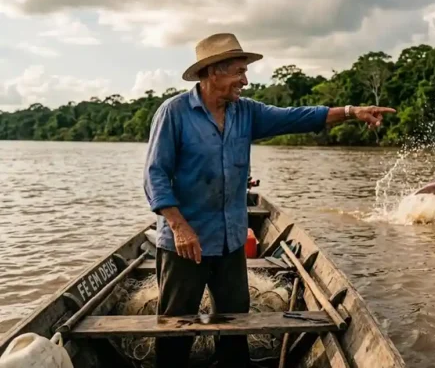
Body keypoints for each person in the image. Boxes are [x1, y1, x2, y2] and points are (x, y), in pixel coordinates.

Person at [143, 32, 396, 367]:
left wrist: (352, 111)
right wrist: (179, 226)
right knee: (176, 328)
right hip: (185, 243)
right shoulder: (173, 113)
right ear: (213, 71)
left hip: (231, 240)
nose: (245, 81)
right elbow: (155, 176)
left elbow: (298, 116)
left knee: (236, 324)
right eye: (238, 72)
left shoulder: (245, 113)